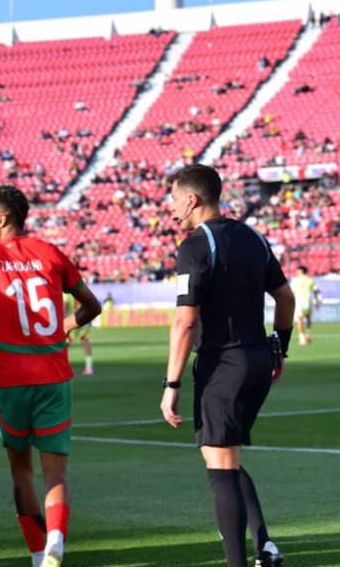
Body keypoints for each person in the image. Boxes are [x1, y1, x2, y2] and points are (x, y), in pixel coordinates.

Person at [161, 165, 294, 567]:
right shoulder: (254, 237)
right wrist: (279, 349)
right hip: (257, 360)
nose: (171, 207)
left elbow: (185, 321)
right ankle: (265, 548)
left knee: (220, 469)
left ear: (191, 200)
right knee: (225, 457)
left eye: (173, 199)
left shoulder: (195, 244)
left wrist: (171, 383)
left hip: (223, 364)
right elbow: (285, 299)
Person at [0, 185, 101, 567]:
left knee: (20, 471)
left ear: (2, 218)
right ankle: (56, 537)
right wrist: (63, 327)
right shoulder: (51, 252)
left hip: (10, 380)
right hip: (54, 376)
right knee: (55, 471)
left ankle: (38, 552)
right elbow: (90, 306)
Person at [63, 292, 94, 375]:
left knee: (65, 344)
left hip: (72, 319)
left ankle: (63, 366)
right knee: (85, 341)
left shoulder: (67, 292)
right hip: (84, 318)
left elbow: (65, 307)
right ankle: (89, 367)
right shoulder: (81, 289)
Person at [290, 265, 322, 345]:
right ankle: (308, 334)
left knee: (300, 320)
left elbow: (291, 292)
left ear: (301, 271)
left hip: (299, 303)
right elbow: (316, 291)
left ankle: (302, 339)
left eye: (298, 270)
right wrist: (318, 301)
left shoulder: (295, 280)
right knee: (308, 318)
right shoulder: (310, 280)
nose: (296, 272)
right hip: (308, 303)